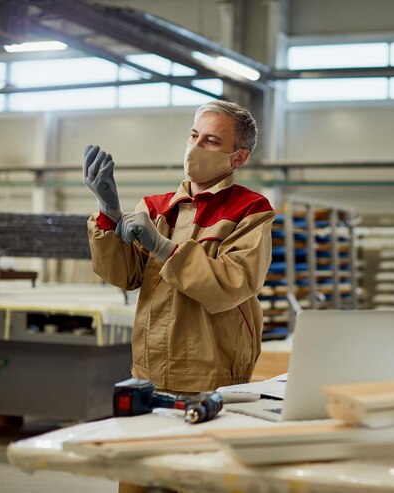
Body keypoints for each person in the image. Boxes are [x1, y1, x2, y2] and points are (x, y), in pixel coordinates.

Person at [83, 100, 275, 395]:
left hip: (212, 375)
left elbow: (233, 283)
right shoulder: (154, 208)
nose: (196, 146)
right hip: (148, 369)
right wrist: (108, 213)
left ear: (239, 157)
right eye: (194, 135)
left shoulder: (250, 210)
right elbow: (126, 275)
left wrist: (163, 247)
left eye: (211, 141)